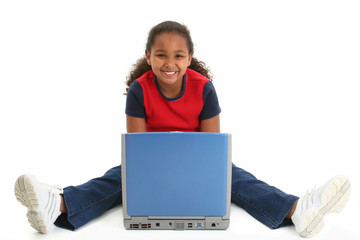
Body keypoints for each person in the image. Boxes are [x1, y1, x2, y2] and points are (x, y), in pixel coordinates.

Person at [14, 21, 351, 238]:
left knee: (234, 176)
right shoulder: (139, 90)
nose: (169, 63)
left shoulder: (204, 89)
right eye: (161, 55)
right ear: (148, 56)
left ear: (190, 58)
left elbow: (212, 151)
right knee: (119, 176)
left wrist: (199, 174)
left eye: (177, 55)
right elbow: (137, 149)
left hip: (197, 167)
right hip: (150, 166)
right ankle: (57, 204)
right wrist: (153, 171)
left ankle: (297, 210)